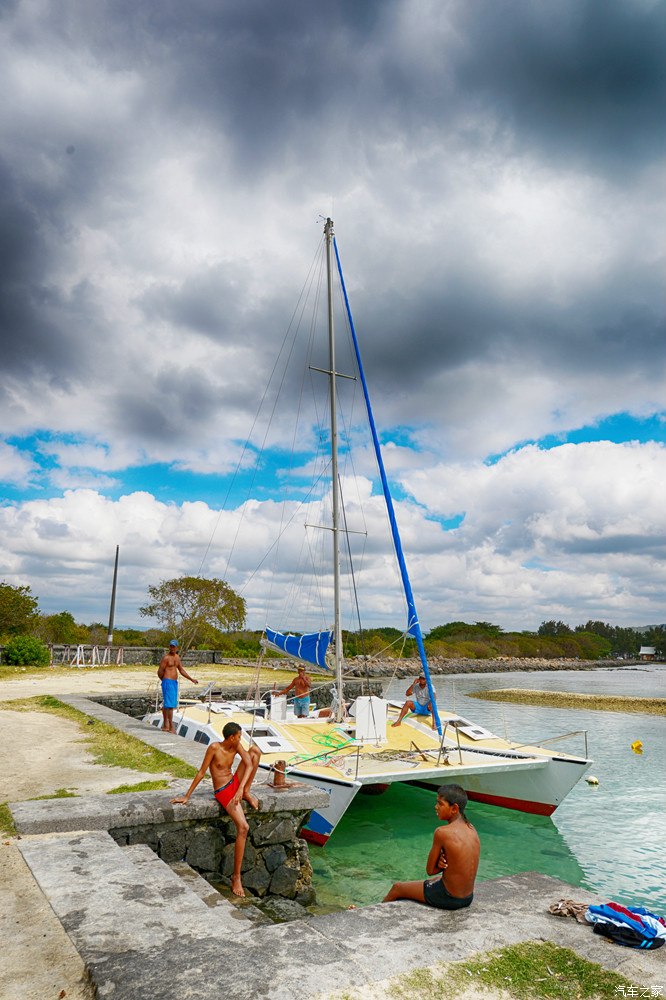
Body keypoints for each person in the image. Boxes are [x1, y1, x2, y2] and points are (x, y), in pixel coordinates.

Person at [171, 722, 261, 897]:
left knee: (255, 752)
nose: (240, 739)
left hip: (235, 784)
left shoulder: (236, 746)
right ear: (231, 737)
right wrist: (187, 796)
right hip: (223, 790)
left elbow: (249, 764)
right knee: (243, 827)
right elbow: (201, 772)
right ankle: (236, 877)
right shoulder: (214, 748)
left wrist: (241, 789)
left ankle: (247, 792)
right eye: (239, 736)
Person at [383, 784, 480, 909]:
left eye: (440, 804)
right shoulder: (471, 829)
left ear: (454, 808)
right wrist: (441, 864)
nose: (436, 807)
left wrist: (438, 865)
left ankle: (374, 916)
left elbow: (430, 871)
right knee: (437, 879)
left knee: (397, 887)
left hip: (448, 898)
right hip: (467, 898)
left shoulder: (442, 832)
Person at [157, 639, 199, 733]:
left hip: (174, 683)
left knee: (168, 704)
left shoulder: (177, 657)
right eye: (171, 646)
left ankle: (166, 725)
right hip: (168, 682)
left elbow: (181, 670)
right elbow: (160, 671)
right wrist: (164, 680)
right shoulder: (166, 658)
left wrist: (191, 679)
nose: (172, 648)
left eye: (174, 647)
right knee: (170, 705)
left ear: (176, 648)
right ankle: (171, 727)